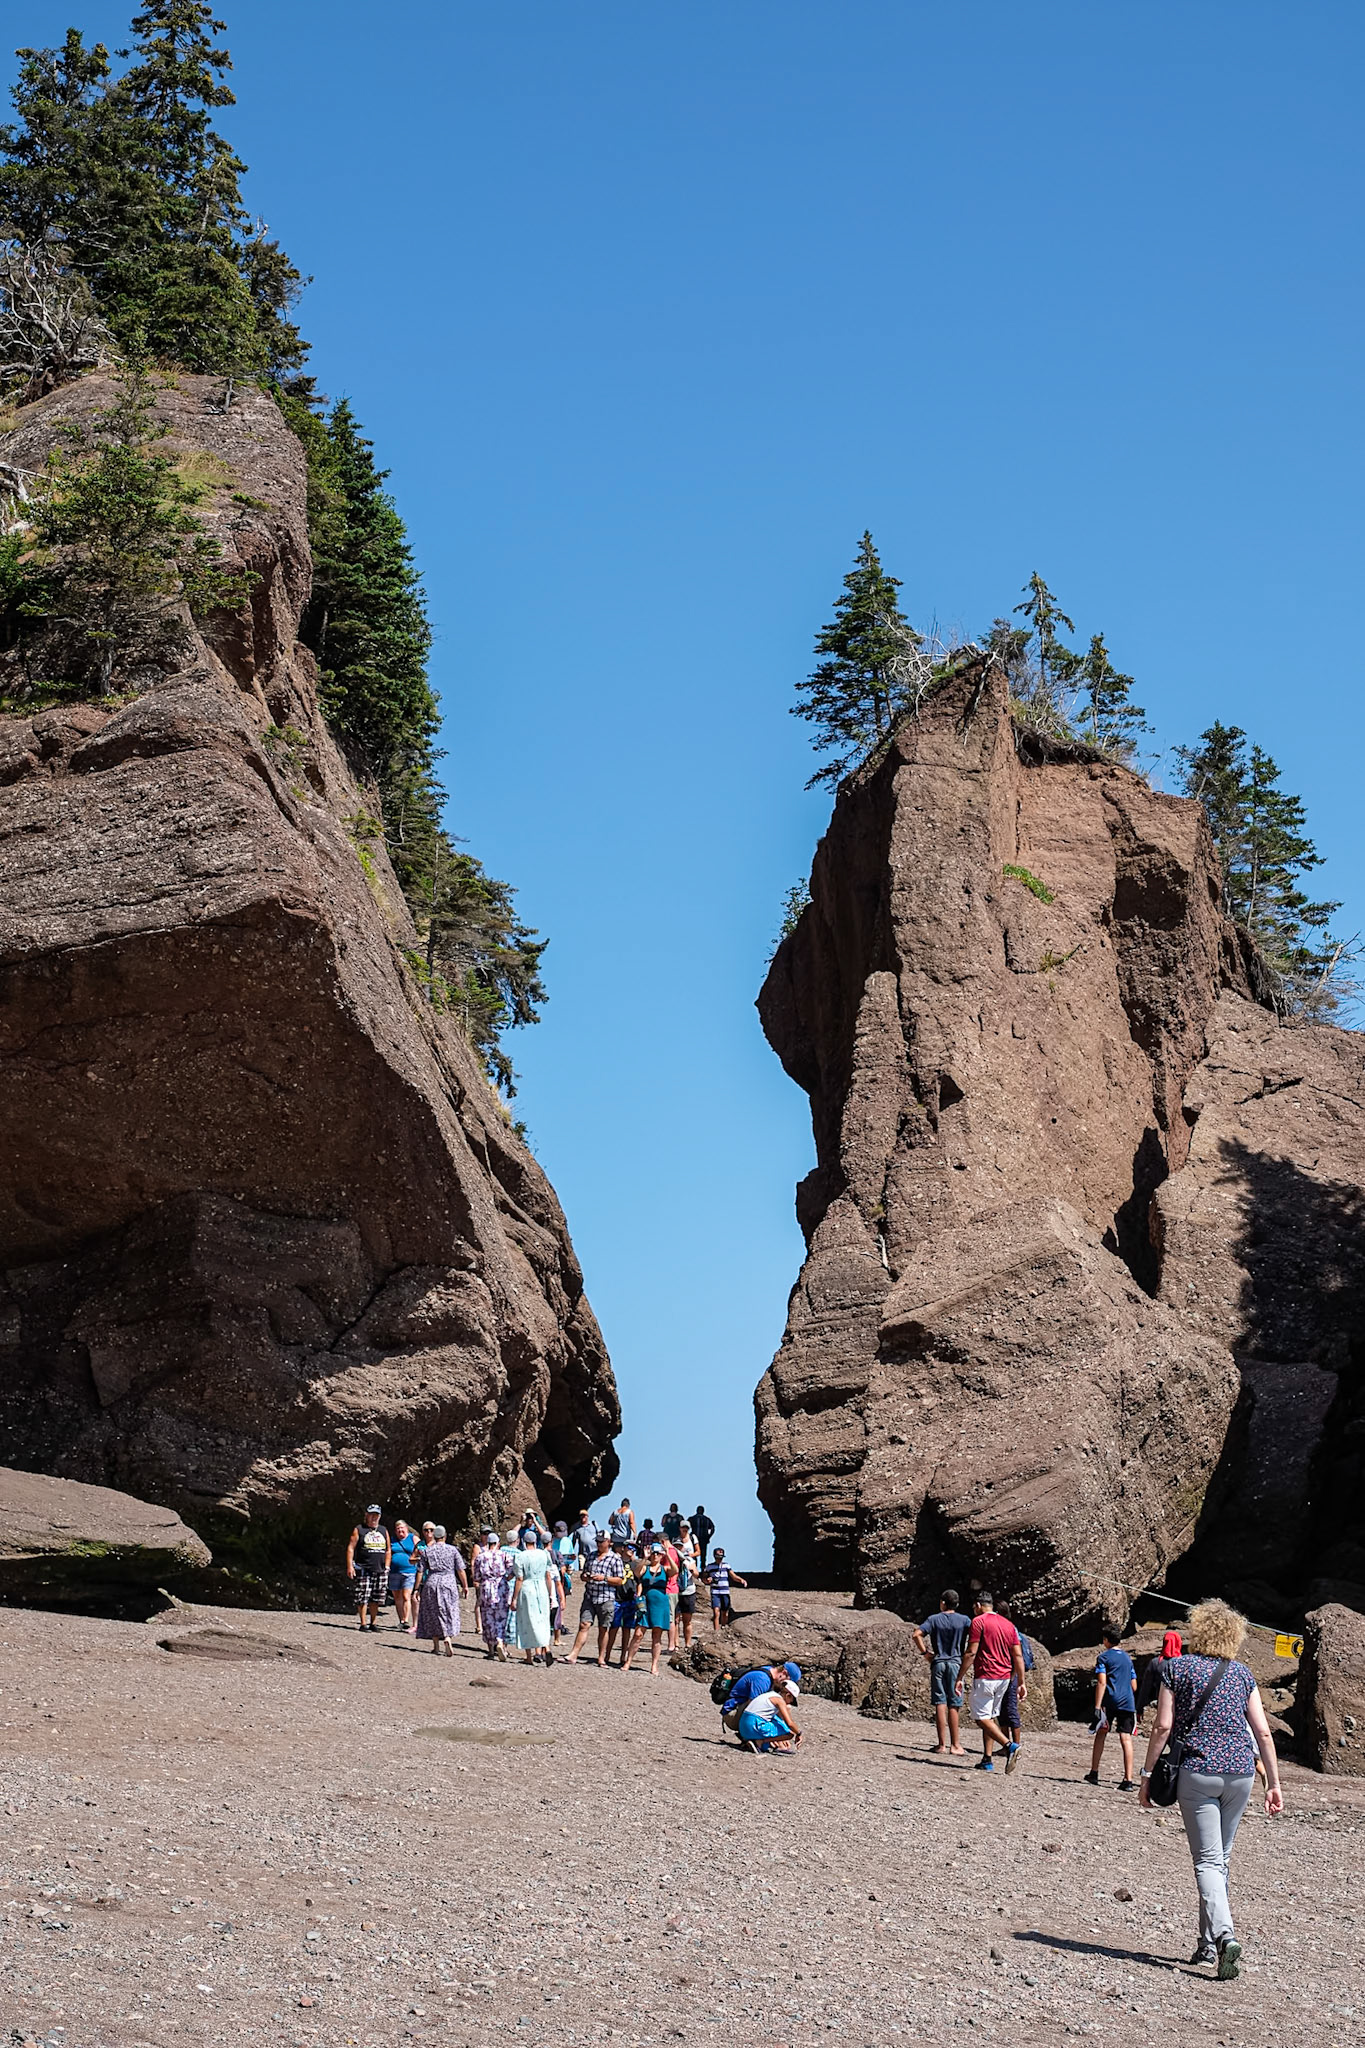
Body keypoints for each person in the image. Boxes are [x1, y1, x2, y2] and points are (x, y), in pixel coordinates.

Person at [1139, 1599, 1283, 1978]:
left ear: (1196, 1630)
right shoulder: (1242, 1675)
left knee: (1206, 1860)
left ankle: (1224, 1937)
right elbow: (1263, 1732)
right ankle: (1205, 1946)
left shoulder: (1177, 1668)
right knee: (1220, 1859)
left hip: (1198, 1773)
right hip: (1241, 1775)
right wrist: (1273, 1783)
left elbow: (1163, 1727)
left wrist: (1146, 1774)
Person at [958, 1590, 1026, 1774]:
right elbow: (1018, 1655)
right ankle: (987, 1759)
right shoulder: (1009, 1625)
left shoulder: (978, 1622)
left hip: (986, 1676)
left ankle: (1009, 1745)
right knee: (989, 1717)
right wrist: (1022, 1682)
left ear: (978, 1605)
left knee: (981, 1718)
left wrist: (959, 1676)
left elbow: (971, 1652)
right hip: (1004, 1678)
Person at [913, 1589, 971, 1755]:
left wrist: (926, 1653)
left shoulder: (934, 1619)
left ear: (943, 1603)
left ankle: (941, 1745)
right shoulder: (964, 1620)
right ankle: (956, 1745)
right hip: (956, 1663)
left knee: (940, 1702)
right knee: (954, 1703)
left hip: (938, 1662)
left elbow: (917, 1634)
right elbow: (975, 1636)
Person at [562, 1530, 625, 1666]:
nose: (598, 1544)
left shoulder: (615, 1559)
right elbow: (583, 1575)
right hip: (590, 1596)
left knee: (603, 1628)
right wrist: (586, 1576)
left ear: (609, 1542)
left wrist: (605, 1578)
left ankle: (601, 1658)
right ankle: (573, 1655)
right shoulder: (590, 1556)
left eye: (601, 1541)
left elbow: (620, 1580)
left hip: (606, 1598)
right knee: (584, 1624)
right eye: (597, 1541)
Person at [1087, 1626, 1138, 1789]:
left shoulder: (1103, 1658)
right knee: (1126, 1738)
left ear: (1106, 1640)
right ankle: (1128, 1780)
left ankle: (1094, 1772)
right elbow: (1134, 1685)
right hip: (1128, 1702)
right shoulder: (1127, 1658)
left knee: (1101, 1733)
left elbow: (1102, 1682)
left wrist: (1097, 1705)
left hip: (1110, 1701)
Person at [414, 1526, 467, 1656]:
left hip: (432, 1581)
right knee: (449, 1609)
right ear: (445, 1536)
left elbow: (420, 1571)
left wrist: (416, 1588)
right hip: (448, 1581)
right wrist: (465, 1585)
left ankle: (436, 1646)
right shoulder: (452, 1550)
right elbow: (460, 1569)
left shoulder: (427, 1551)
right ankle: (448, 1637)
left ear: (434, 1536)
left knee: (433, 1611)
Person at [721, 1662, 802, 1744]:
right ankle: (750, 1737)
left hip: (740, 1711)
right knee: (777, 1709)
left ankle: (755, 1738)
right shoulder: (762, 1680)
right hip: (732, 1714)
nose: (784, 1685)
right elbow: (753, 1706)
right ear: (783, 1673)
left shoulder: (768, 1670)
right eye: (786, 1682)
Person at [511, 1532, 557, 1666]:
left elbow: (519, 1578)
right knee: (542, 1619)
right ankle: (546, 1648)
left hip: (527, 1588)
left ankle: (529, 1656)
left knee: (527, 1620)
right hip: (541, 1588)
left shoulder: (520, 1556)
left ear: (523, 1542)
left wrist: (514, 1598)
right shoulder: (544, 1554)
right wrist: (550, 1594)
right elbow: (548, 1575)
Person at [345, 1505, 392, 1633]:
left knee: (377, 1597)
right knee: (363, 1596)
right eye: (371, 1514)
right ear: (366, 1515)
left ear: (379, 1516)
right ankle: (363, 1622)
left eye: (376, 1515)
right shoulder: (359, 1529)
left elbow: (388, 1549)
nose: (373, 1517)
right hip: (363, 1567)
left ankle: (373, 1622)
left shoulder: (383, 1530)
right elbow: (351, 1547)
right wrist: (350, 1566)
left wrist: (387, 1566)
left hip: (380, 1569)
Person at [472, 1525, 513, 1660]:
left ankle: (490, 1650)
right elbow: (513, 1569)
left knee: (487, 1618)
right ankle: (500, 1642)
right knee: (501, 1617)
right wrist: (506, 1578)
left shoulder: (481, 1557)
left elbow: (477, 1576)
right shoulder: (504, 1554)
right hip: (501, 1587)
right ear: (498, 1543)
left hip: (486, 1588)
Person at [737, 1676, 801, 1755]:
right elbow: (789, 1723)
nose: (789, 1704)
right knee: (789, 1734)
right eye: (791, 1701)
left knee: (766, 1746)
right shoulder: (779, 1701)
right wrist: (799, 1733)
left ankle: (752, 1741)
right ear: (788, 1695)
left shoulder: (769, 1695)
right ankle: (760, 1741)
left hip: (743, 1726)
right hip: (754, 1725)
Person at [639, 1544, 673, 1676]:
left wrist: (668, 1554)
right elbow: (638, 1572)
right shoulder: (645, 1567)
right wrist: (644, 1558)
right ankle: (628, 1661)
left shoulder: (665, 1568)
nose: (655, 1555)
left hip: (660, 1604)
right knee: (638, 1633)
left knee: (657, 1635)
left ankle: (654, 1665)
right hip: (646, 1603)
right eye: (654, 1553)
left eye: (658, 1553)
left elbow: (675, 1570)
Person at [606, 1545, 642, 1669]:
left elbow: (639, 1581)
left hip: (630, 1600)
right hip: (617, 1598)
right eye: (629, 1547)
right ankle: (607, 1655)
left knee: (627, 1629)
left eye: (634, 1549)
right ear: (623, 1548)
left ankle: (623, 1656)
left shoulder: (636, 1565)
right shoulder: (617, 1561)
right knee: (613, 1628)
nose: (631, 1550)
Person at [386, 1518, 420, 1633]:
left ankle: (405, 1620)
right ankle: (401, 1620)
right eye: (398, 1530)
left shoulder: (413, 1538)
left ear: (407, 1529)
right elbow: (388, 1553)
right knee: (397, 1597)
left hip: (409, 1571)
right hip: (394, 1571)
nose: (400, 1532)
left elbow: (422, 1550)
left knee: (406, 1596)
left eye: (402, 1529)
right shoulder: (392, 1540)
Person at [705, 1549, 746, 1630]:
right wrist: (707, 1580)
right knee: (716, 1612)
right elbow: (704, 1577)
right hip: (715, 1592)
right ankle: (716, 1631)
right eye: (718, 1557)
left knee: (725, 1612)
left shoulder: (726, 1566)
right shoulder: (709, 1567)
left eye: (721, 1557)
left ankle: (723, 1627)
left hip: (725, 1592)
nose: (719, 1559)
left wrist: (741, 1580)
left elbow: (733, 1576)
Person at [550, 1521, 576, 1645]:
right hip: (551, 1573)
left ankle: (560, 1624)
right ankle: (552, 1624)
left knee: (562, 1598)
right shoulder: (551, 1541)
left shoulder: (567, 1541)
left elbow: (570, 1556)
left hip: (563, 1573)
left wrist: (570, 1565)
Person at [674, 1523, 700, 1650]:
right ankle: (676, 1644)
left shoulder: (689, 1560)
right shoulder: (672, 1560)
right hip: (675, 1591)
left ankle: (688, 1643)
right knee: (675, 1620)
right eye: (676, 1547)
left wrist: (691, 1570)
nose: (678, 1548)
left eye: (680, 1546)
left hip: (688, 1591)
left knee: (687, 1620)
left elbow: (696, 1574)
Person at [692, 1505, 715, 1572]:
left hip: (698, 1539)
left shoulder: (693, 1518)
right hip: (702, 1539)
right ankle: (701, 1567)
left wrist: (708, 1537)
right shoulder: (707, 1519)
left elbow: (713, 1528)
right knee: (702, 1554)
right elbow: (713, 1528)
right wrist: (708, 1536)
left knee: (696, 1553)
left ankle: (698, 1567)